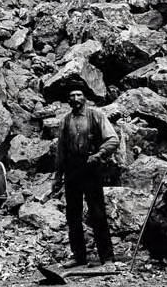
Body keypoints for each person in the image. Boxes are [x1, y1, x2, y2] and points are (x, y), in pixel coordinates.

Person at [49, 85, 118, 267]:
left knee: (97, 212)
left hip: (91, 169)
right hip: (72, 171)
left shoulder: (96, 115)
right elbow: (61, 152)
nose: (76, 97)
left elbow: (113, 139)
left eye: (79, 94)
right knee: (73, 215)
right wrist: (57, 177)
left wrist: (99, 154)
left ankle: (107, 257)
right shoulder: (65, 121)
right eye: (72, 95)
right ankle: (79, 256)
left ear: (85, 98)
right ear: (68, 100)